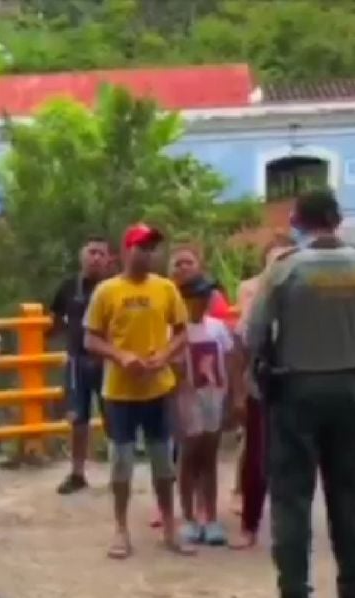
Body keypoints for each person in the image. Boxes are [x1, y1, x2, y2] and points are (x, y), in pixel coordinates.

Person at [246, 189, 355, 598]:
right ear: (337, 218)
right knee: (347, 497)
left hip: (296, 391)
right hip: (350, 389)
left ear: (298, 220)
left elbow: (253, 336)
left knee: (292, 500)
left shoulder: (285, 269)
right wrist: (347, 342)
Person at [84, 223, 191, 559]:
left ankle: (170, 525)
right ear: (127, 249)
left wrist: (164, 355)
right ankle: (120, 528)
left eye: (152, 248)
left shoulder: (166, 289)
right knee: (122, 463)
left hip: (158, 389)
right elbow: (90, 338)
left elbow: (182, 332)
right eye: (141, 247)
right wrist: (120, 356)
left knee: (163, 462)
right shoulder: (107, 291)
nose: (148, 253)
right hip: (119, 391)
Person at [230, 235, 296, 548]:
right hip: (262, 379)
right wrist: (240, 387)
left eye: (287, 257)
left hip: (297, 382)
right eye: (275, 258)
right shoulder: (252, 289)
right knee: (256, 455)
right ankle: (249, 524)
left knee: (295, 457)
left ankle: (291, 527)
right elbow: (244, 335)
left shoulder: (305, 290)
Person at [172, 273, 234, 546]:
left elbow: (231, 360)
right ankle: (187, 516)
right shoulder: (174, 330)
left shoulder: (217, 328)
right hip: (187, 400)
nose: (205, 300)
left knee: (209, 457)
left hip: (213, 397)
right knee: (188, 458)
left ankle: (209, 515)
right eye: (199, 296)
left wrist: (233, 397)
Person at [49, 237, 112, 495]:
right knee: (78, 420)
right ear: (82, 256)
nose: (96, 257)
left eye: (101, 253)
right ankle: (77, 473)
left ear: (109, 259)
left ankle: (118, 472)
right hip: (77, 360)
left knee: (114, 418)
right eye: (91, 252)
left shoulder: (115, 287)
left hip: (109, 361)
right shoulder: (67, 287)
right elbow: (54, 319)